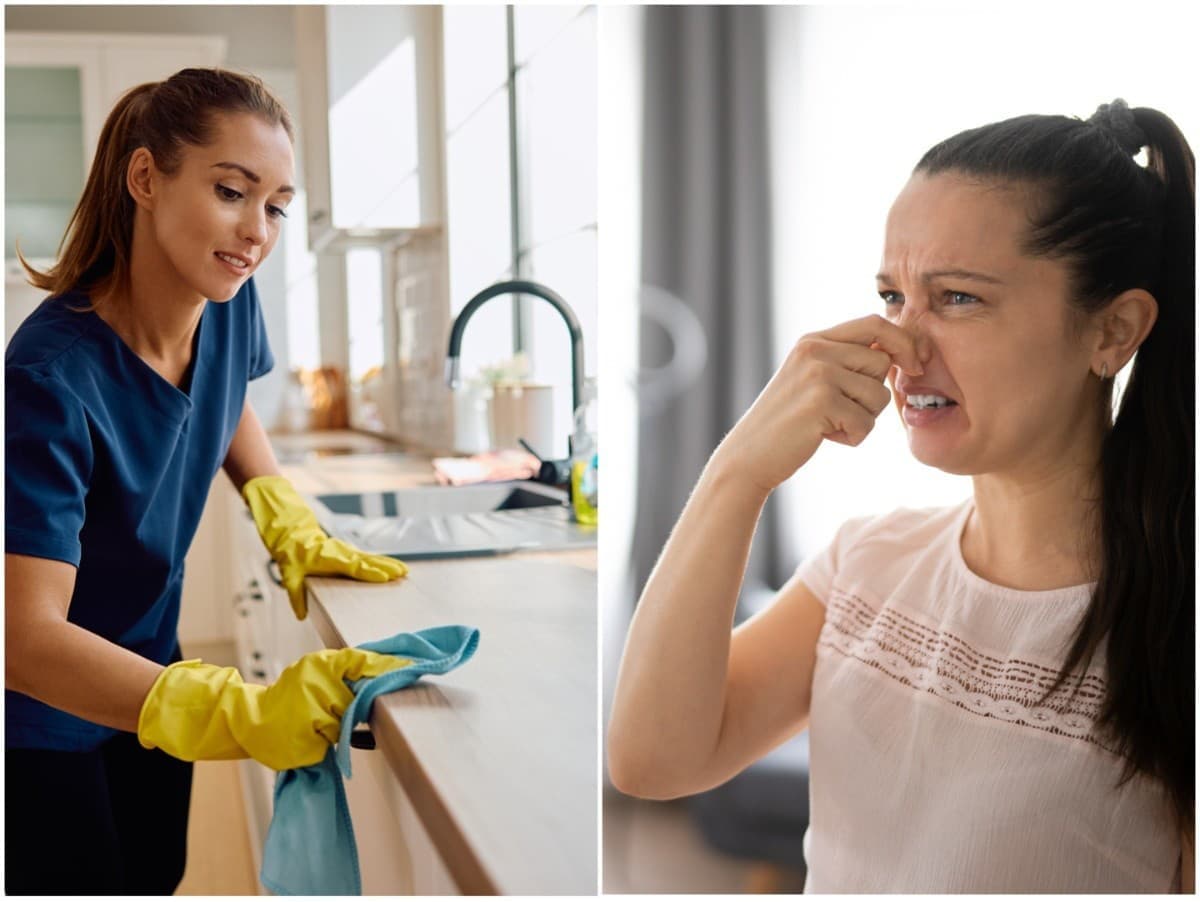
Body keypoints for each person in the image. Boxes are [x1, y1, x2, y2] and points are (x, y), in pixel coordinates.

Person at [608, 99, 1194, 892]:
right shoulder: (867, 564)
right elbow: (651, 761)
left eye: (958, 298)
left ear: (1114, 331)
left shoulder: (1170, 630)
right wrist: (737, 470)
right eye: (892, 296)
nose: (903, 347)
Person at [5, 68, 409, 894]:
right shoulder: (48, 379)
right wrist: (240, 711)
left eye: (277, 206)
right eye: (233, 190)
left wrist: (281, 513)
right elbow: (23, 639)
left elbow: (224, 406)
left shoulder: (225, 298)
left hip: (154, 664)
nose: (257, 229)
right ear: (146, 178)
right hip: (44, 717)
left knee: (158, 874)